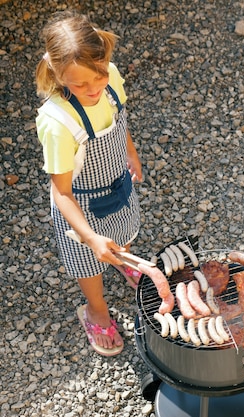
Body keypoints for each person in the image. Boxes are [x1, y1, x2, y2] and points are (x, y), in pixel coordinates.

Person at [35, 11, 143, 356]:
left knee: (123, 236)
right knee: (90, 260)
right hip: (80, 208)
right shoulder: (58, 123)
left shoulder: (109, 77)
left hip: (117, 182)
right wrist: (90, 235)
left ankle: (125, 263)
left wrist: (131, 151)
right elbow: (61, 192)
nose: (93, 89)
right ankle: (95, 308)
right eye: (79, 84)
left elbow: (119, 118)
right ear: (57, 73)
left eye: (97, 77)